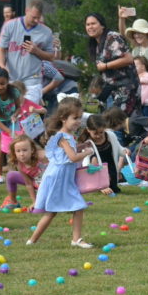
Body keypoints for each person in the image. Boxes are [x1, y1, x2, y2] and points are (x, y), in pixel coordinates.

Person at [27, 97, 95, 247]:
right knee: (51, 211)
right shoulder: (62, 137)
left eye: (79, 117)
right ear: (64, 118)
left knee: (78, 207)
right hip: (58, 177)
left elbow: (68, 153)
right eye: (75, 118)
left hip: (65, 177)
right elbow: (72, 157)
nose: (78, 121)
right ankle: (32, 240)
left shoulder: (68, 136)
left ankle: (76, 239)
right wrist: (86, 152)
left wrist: (82, 145)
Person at [0, 0, 55, 104]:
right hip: (12, 78)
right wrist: (2, 67)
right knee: (12, 112)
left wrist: (37, 51)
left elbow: (52, 57)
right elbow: (0, 49)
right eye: (34, 17)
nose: (36, 20)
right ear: (26, 10)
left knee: (27, 112)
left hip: (33, 80)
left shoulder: (46, 31)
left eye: (38, 17)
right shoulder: (10, 25)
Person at [85, 12, 140, 115]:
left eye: (93, 24)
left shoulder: (112, 37)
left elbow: (129, 58)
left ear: (102, 25)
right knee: (112, 123)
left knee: (116, 124)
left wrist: (106, 66)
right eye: (88, 24)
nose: (90, 27)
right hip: (111, 91)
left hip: (125, 89)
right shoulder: (96, 44)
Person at [78, 113, 125, 195]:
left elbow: (118, 148)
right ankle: (99, 186)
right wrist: (99, 184)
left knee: (114, 189)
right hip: (96, 171)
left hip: (111, 168)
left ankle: (108, 186)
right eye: (95, 133)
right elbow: (86, 164)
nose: (98, 136)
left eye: (101, 132)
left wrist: (124, 151)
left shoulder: (110, 135)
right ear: (88, 130)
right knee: (94, 158)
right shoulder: (87, 143)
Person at [2, 134, 48, 211]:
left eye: (25, 150)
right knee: (11, 175)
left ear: (32, 150)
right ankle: (13, 202)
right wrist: (34, 202)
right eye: (18, 151)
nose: (22, 154)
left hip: (50, 184)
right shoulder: (19, 164)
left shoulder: (42, 157)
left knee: (37, 211)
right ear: (14, 153)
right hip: (37, 183)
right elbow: (29, 184)